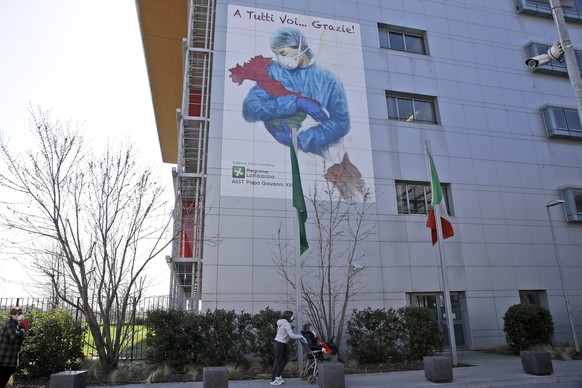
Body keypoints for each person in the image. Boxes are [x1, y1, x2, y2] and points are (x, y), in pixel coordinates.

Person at [241, 27, 350, 157]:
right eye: (276, 54)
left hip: (322, 156)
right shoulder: (273, 72)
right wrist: (295, 102)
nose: (280, 59)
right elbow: (250, 109)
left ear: (299, 47)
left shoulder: (328, 80)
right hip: (276, 154)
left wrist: (299, 140)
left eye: (283, 53)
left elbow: (341, 123)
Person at [271, 310, 304, 386]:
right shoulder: (286, 324)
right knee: (278, 361)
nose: (293, 317)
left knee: (285, 359)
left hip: (281, 343)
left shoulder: (281, 322)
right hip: (280, 343)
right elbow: (291, 335)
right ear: (289, 316)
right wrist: (300, 337)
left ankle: (278, 376)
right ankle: (273, 380)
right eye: (292, 316)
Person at [0, 307, 26, 388]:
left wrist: (21, 328)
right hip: (5, 357)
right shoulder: (9, 323)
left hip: (10, 357)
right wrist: (22, 331)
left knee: (5, 376)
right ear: (13, 314)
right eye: (19, 314)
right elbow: (14, 336)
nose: (21, 316)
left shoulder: (14, 324)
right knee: (2, 377)